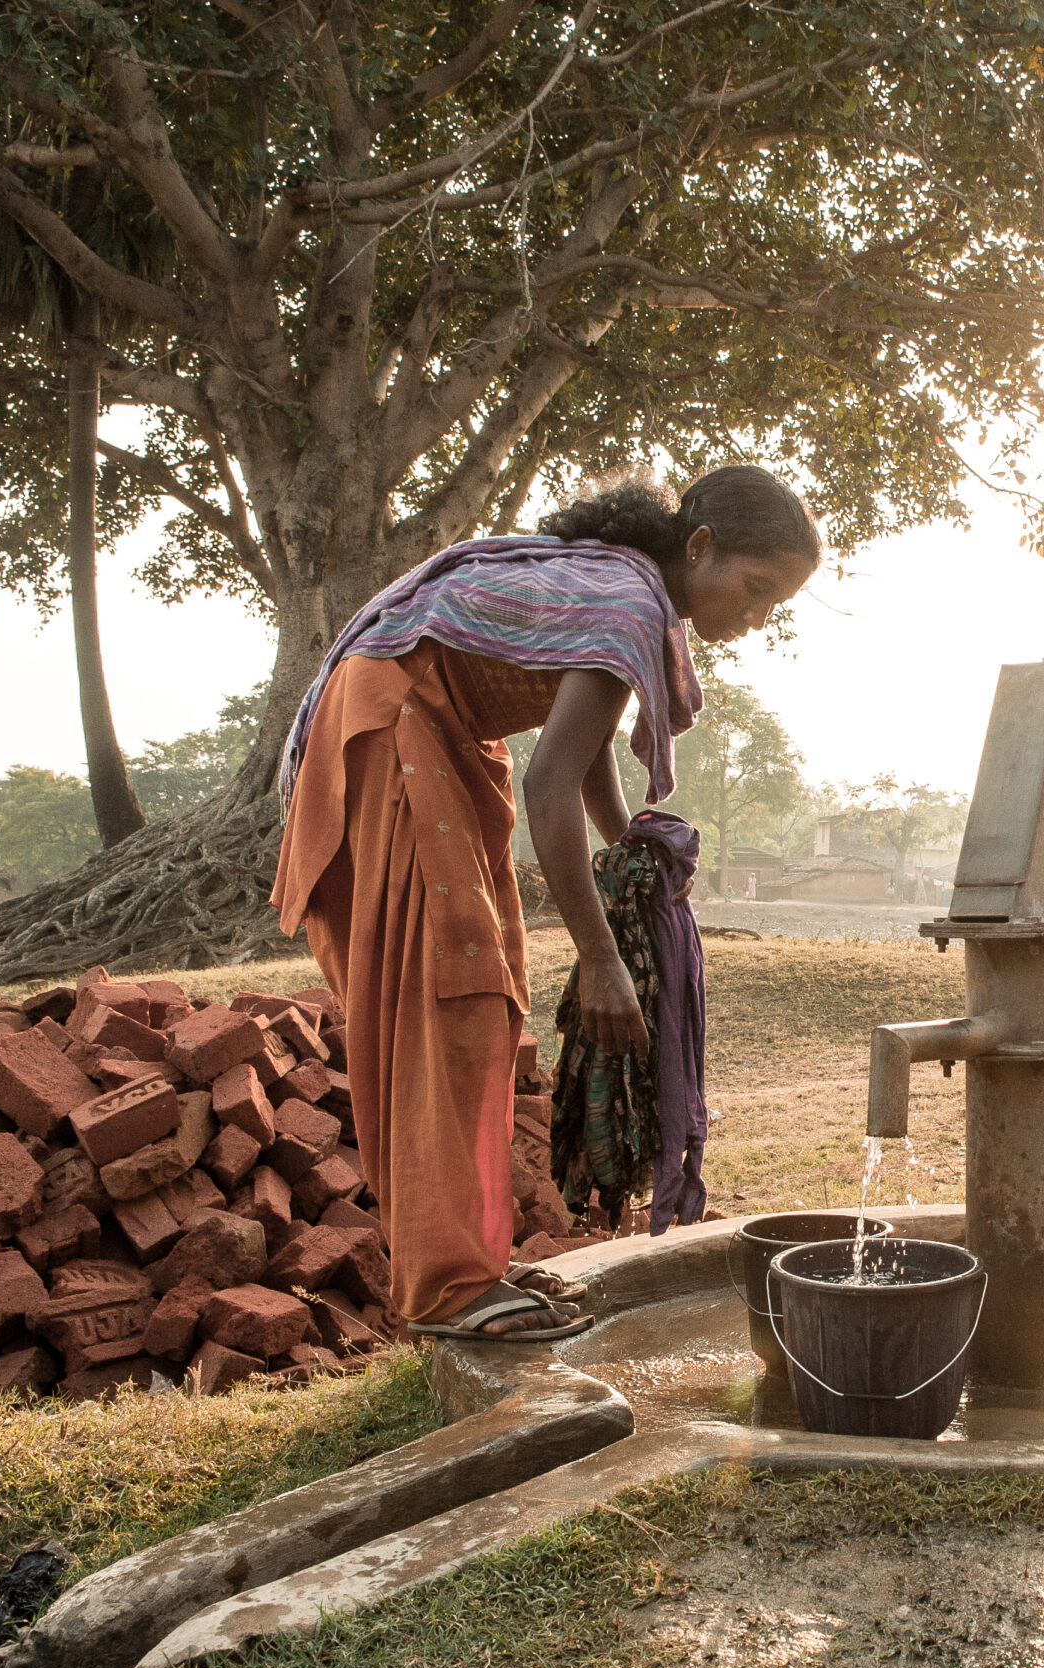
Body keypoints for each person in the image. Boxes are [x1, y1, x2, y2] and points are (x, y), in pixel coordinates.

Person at [272, 469, 821, 1340]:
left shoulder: (626, 590)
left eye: (772, 604)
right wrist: (603, 959)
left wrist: (628, 851)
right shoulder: (632, 602)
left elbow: (586, 748)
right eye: (755, 589)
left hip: (429, 729)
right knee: (453, 995)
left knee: (488, 995)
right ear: (702, 547)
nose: (755, 617)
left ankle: (471, 1262)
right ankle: (448, 1287)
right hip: (396, 727)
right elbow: (549, 781)